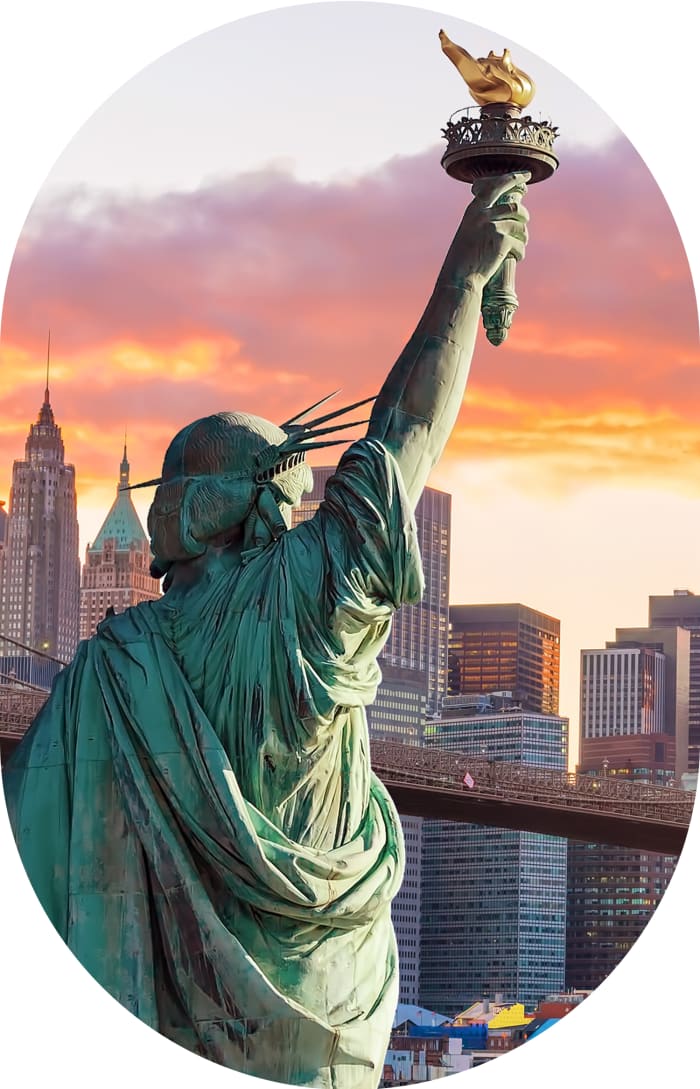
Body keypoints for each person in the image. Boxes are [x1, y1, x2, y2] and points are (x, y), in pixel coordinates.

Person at [3, 172, 528, 1088]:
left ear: (200, 507)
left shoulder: (108, 673)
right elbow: (402, 438)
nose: (152, 515)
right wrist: (466, 278)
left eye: (164, 493)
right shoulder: (303, 607)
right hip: (329, 1022)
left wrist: (463, 275)